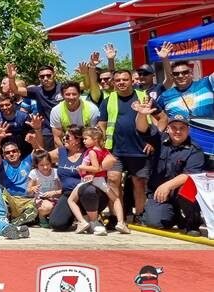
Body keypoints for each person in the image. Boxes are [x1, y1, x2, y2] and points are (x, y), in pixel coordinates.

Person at [136, 110, 206, 234]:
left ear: (188, 130)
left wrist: (167, 186)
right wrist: (142, 114)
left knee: (187, 189)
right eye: (174, 127)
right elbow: (143, 129)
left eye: (182, 128)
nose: (178, 131)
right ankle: (176, 217)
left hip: (179, 191)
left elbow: (189, 174)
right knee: (154, 222)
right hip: (160, 193)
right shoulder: (159, 140)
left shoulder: (195, 150)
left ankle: (193, 224)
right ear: (167, 128)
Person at [99, 69, 154, 223]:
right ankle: (117, 216)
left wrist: (153, 140)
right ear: (113, 83)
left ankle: (139, 215)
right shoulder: (108, 100)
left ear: (132, 81)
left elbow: (160, 119)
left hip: (140, 149)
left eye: (125, 79)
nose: (121, 82)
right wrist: (103, 144)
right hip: (115, 150)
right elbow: (101, 124)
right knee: (113, 179)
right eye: (117, 80)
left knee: (139, 183)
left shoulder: (144, 97)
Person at [67, 126, 128, 234]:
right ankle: (121, 222)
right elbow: (110, 160)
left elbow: (95, 168)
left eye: (86, 139)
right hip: (101, 180)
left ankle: (82, 222)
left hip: (91, 179)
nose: (84, 141)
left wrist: (81, 167)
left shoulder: (91, 152)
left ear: (95, 139)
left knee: (71, 200)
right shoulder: (105, 151)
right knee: (116, 199)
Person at [0, 121, 38, 226]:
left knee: (37, 206)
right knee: (2, 199)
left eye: (14, 151)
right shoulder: (2, 165)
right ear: (4, 156)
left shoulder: (28, 161)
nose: (11, 154)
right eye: (7, 152)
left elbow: (39, 152)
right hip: (10, 200)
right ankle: (15, 219)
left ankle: (18, 220)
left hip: (28, 200)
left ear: (19, 152)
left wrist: (36, 133)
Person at [156, 41, 214, 119]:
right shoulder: (165, 95)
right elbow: (155, 115)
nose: (180, 76)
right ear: (172, 76)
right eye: (176, 74)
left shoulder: (207, 83)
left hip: (207, 130)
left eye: (185, 72)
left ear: (191, 73)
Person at [49, 81, 100, 146]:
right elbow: (57, 137)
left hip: (87, 143)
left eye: (74, 94)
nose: (71, 97)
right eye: (67, 94)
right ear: (62, 95)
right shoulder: (56, 111)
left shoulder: (92, 108)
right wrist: (64, 154)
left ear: (79, 94)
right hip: (67, 143)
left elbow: (94, 135)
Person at [27, 149, 61, 228]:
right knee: (48, 207)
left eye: (47, 164)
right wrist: (33, 189)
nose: (45, 167)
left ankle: (50, 217)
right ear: (36, 165)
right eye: (41, 165)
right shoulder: (34, 173)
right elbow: (28, 190)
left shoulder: (55, 172)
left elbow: (62, 189)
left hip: (54, 198)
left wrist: (55, 192)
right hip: (41, 199)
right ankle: (41, 217)